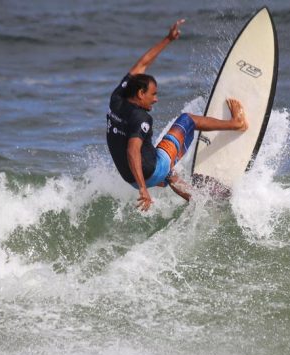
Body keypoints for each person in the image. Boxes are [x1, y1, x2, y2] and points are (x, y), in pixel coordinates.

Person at [106, 19, 247, 211]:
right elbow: (132, 151)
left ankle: (204, 204)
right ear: (140, 94)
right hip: (147, 173)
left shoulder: (117, 97)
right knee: (187, 120)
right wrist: (143, 189)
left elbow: (142, 64)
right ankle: (236, 124)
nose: (155, 99)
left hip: (129, 178)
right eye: (153, 94)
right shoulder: (140, 118)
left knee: (168, 173)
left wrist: (168, 39)